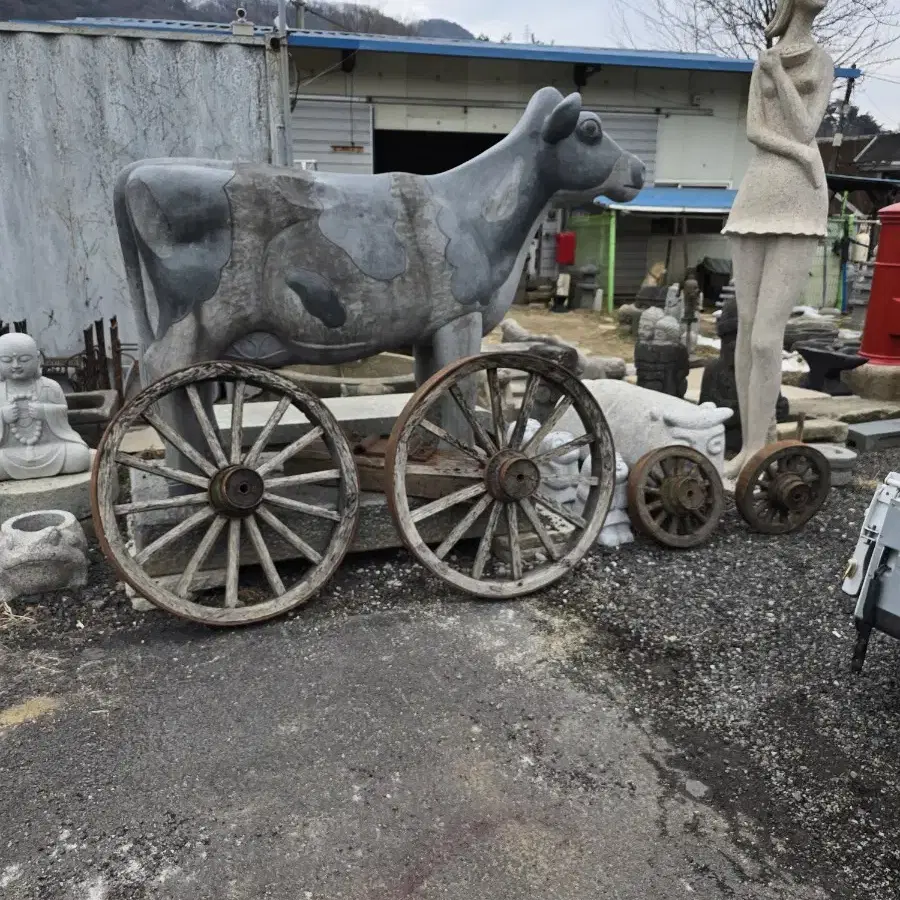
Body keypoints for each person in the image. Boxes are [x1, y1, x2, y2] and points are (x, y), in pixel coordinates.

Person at [722, 0, 832, 478]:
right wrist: (798, 154)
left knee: (768, 338)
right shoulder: (763, 59)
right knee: (745, 332)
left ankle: (755, 449)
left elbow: (807, 127)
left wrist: (779, 76)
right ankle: (752, 445)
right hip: (758, 192)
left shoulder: (821, 61)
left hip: (800, 199)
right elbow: (754, 130)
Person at [0, 332, 91, 480]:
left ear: (37, 359)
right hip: (10, 450)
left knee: (79, 456)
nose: (16, 365)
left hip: (49, 448)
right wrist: (3, 416)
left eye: (23, 359)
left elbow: (63, 414)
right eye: (7, 360)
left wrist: (45, 412)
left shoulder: (50, 386)